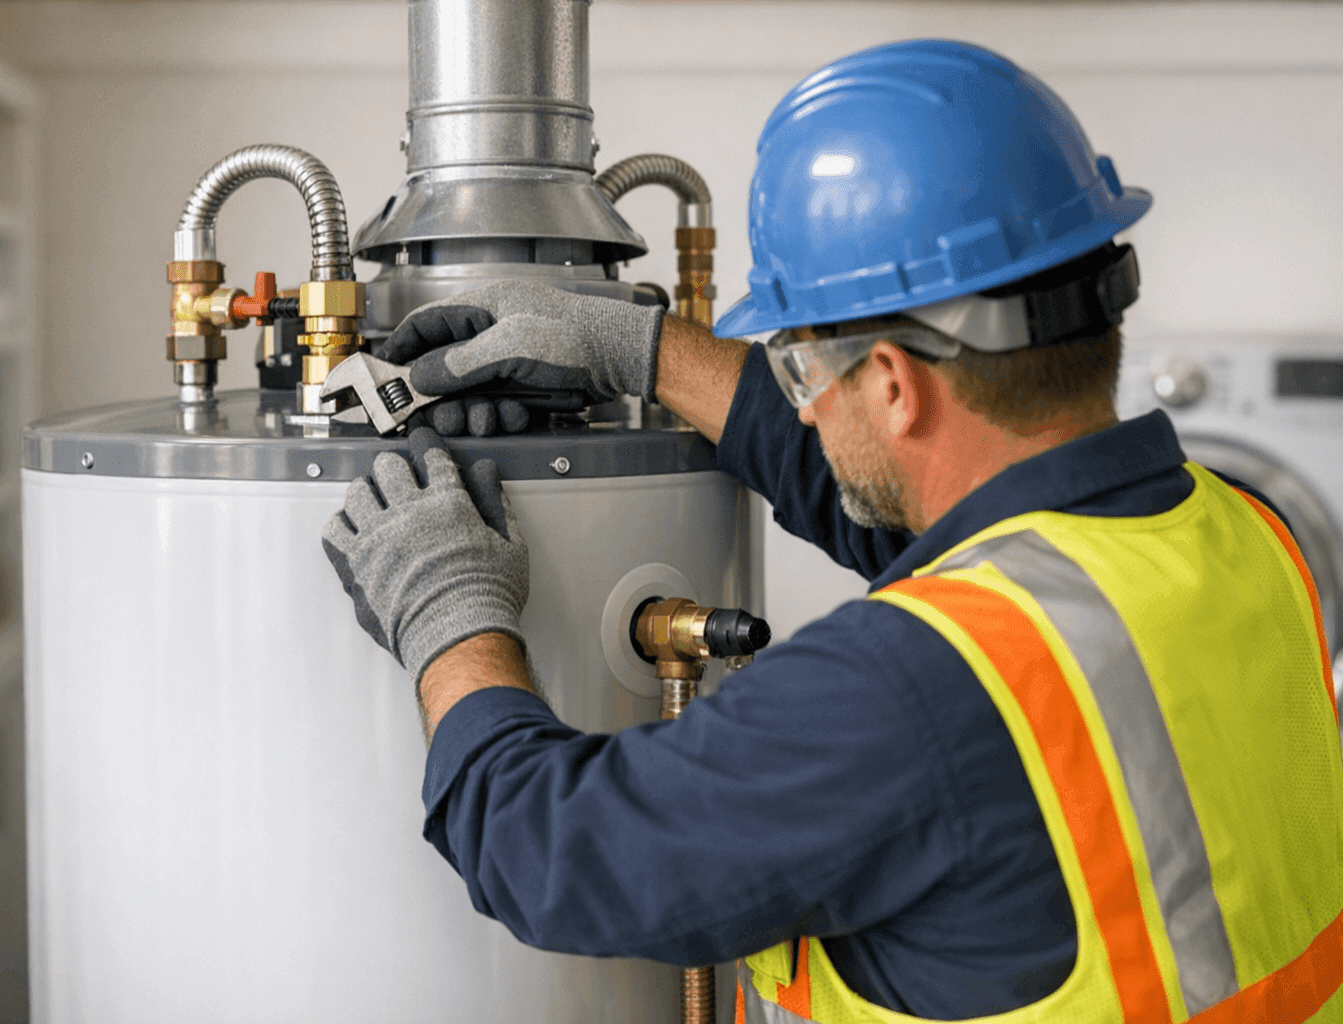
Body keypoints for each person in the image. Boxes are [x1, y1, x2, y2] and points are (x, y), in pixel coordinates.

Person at [322, 40, 1343, 1022]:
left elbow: (555, 852)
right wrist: (628, 345)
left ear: (895, 383)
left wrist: (448, 608)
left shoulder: (912, 689)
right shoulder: (1243, 534)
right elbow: (915, 514)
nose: (798, 405)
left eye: (802, 369)